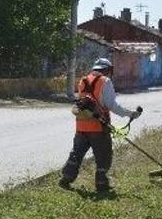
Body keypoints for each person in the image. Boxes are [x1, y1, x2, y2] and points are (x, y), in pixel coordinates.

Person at [59, 58, 141, 192]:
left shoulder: (83, 80)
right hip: (98, 127)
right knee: (103, 156)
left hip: (81, 126)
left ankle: (66, 179)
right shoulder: (105, 81)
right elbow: (112, 105)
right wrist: (130, 114)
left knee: (76, 154)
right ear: (107, 70)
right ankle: (102, 185)